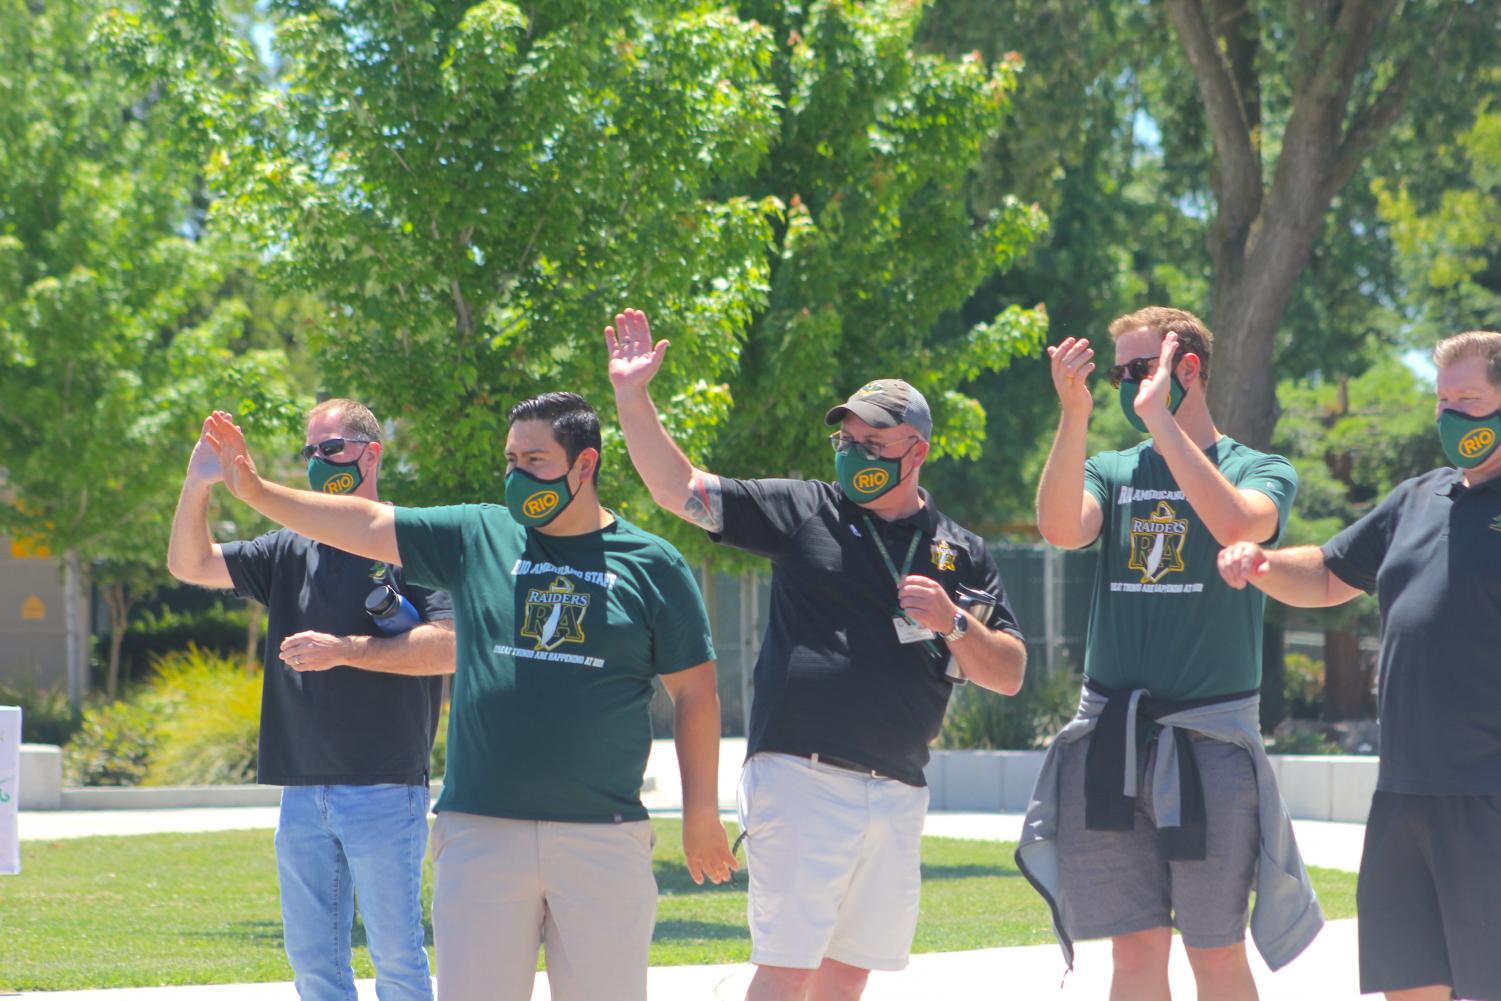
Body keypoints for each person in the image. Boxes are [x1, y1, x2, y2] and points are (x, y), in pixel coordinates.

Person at [198, 391, 736, 1001]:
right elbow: (367, 523)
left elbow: (696, 693)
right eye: (510, 459)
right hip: (481, 834)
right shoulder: (478, 533)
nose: (516, 475)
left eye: (534, 460)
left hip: (603, 834)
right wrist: (257, 492)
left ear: (584, 466)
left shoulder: (652, 564)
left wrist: (700, 816)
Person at [606, 308, 1027, 1001]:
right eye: (847, 437)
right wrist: (632, 394)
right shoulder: (807, 509)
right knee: (788, 971)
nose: (853, 451)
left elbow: (1007, 672)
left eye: (873, 439)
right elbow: (680, 490)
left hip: (897, 788)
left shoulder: (959, 550)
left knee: (846, 976)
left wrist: (953, 621)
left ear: (915, 450)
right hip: (801, 777)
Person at [1019, 306, 1322, 1001]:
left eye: (1139, 370)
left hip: (1210, 742)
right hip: (1113, 737)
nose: (1127, 386)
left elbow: (1237, 524)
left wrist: (1161, 419)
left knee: (1213, 949)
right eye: (1119, 372)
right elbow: (1062, 529)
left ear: (1187, 369)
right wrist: (1073, 414)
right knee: (1133, 949)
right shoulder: (1113, 467)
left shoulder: (1257, 466)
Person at [1219, 330, 1501, 1001]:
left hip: (1486, 795)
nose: (1451, 416)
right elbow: (1323, 575)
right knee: (1408, 984)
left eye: (1468, 399)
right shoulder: (1416, 498)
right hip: (1402, 791)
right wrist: (1262, 564)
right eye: (1441, 402)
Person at [166, 399, 456, 1001]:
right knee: (315, 969)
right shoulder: (288, 547)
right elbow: (189, 564)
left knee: (397, 961)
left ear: (370, 454)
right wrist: (199, 483)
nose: (318, 462)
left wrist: (345, 649)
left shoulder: (415, 542)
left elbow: (449, 647)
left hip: (384, 785)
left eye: (332, 449)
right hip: (302, 792)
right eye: (310, 452)